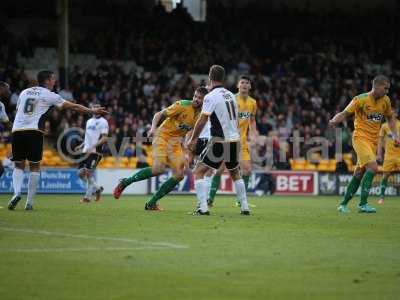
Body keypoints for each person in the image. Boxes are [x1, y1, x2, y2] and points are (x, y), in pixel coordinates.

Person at [7, 70, 108, 211]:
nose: (55, 81)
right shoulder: (49, 95)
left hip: (17, 131)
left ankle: (16, 193)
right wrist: (92, 111)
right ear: (47, 80)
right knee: (34, 166)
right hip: (34, 131)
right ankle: (29, 203)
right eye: (53, 79)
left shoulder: (24, 92)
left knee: (18, 165)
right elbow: (74, 106)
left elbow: (19, 110)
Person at [113, 86, 208, 210]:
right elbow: (159, 114)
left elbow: (189, 131)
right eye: (195, 96)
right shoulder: (182, 105)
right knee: (159, 169)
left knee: (179, 175)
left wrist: (187, 146)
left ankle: (151, 203)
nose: (196, 99)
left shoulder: (201, 115)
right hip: (162, 136)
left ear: (205, 101)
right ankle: (125, 182)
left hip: (175, 143)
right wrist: (153, 128)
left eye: (199, 98)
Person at [329, 75, 400, 213]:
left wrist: (395, 134)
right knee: (373, 167)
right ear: (377, 86)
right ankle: (363, 204)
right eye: (385, 88)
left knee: (359, 173)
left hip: (373, 142)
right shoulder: (360, 99)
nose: (387, 91)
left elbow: (390, 117)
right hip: (360, 138)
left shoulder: (385, 100)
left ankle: (343, 204)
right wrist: (334, 120)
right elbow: (345, 113)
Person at [186, 65, 250, 215]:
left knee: (198, 171)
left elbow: (202, 120)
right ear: (223, 78)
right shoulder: (231, 95)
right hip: (235, 140)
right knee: (235, 173)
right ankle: (244, 207)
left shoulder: (210, 96)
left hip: (220, 140)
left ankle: (202, 208)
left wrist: (193, 139)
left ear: (210, 76)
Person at [207, 75, 258, 207]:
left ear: (250, 86)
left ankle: (241, 201)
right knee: (219, 169)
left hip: (242, 141)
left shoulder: (253, 103)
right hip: (228, 138)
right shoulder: (232, 99)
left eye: (247, 83)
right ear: (238, 85)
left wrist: (254, 134)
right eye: (242, 82)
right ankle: (210, 199)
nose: (245, 85)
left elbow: (252, 120)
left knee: (247, 169)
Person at [75, 104, 109, 203]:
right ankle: (98, 188)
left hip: (95, 152)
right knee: (80, 174)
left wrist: (93, 146)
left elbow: (104, 138)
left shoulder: (103, 122)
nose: (95, 109)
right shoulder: (89, 121)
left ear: (100, 110)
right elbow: (87, 136)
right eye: (93, 107)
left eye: (97, 107)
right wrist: (81, 145)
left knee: (88, 173)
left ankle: (87, 197)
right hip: (85, 150)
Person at [377, 110, 400, 204]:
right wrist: (379, 154)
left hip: (399, 155)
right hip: (388, 156)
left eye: (392, 113)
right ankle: (381, 197)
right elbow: (380, 141)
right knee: (385, 176)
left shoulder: (399, 124)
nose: (390, 115)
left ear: (395, 114)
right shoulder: (384, 126)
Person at [0, 82, 11, 178]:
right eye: (7, 89)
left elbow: (7, 122)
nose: (9, 91)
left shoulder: (1, 106)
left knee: (1, 169)